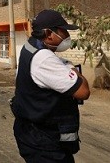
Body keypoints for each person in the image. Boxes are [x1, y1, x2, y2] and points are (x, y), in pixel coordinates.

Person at [11, 9, 90, 163]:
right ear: (48, 34)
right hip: (43, 140)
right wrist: (70, 67)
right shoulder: (44, 58)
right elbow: (83, 91)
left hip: (32, 132)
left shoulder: (31, 46)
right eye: (64, 32)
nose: (67, 37)